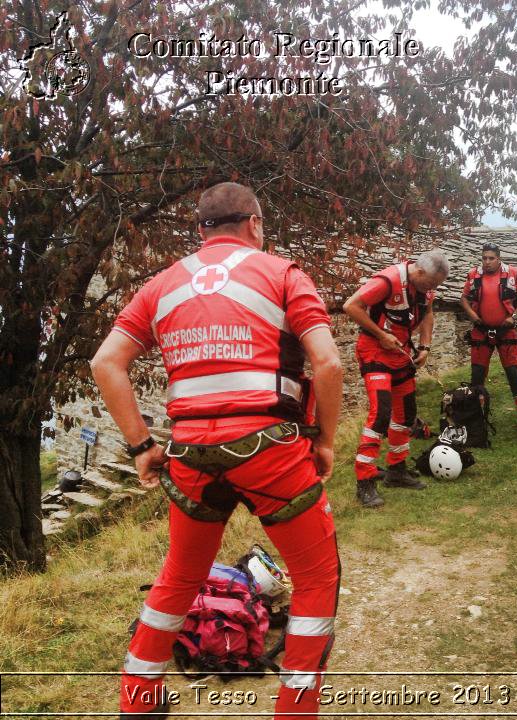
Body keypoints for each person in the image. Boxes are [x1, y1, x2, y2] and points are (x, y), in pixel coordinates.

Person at [90, 182, 343, 719]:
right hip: (271, 450)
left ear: (201, 231)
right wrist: (324, 442)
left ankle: (137, 706)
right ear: (253, 223)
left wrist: (141, 447)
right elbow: (329, 364)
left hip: (189, 455)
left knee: (179, 578)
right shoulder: (284, 274)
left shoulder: (160, 285)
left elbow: (105, 363)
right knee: (317, 580)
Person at [342, 250, 449, 509]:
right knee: (381, 414)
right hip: (374, 351)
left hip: (401, 354)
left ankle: (396, 470)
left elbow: (428, 314)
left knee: (406, 415)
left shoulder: (425, 290)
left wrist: (425, 347)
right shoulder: (388, 280)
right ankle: (365, 482)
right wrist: (380, 334)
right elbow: (350, 306)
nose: (434, 288)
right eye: (433, 283)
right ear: (419, 272)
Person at [460, 242, 517, 434]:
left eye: (491, 258)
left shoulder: (512, 274)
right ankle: (477, 419)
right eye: (484, 258)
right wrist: (473, 316)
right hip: (480, 331)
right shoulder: (473, 275)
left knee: (513, 374)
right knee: (477, 376)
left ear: (498, 258)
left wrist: (514, 316)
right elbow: (463, 299)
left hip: (506, 332)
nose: (487, 262)